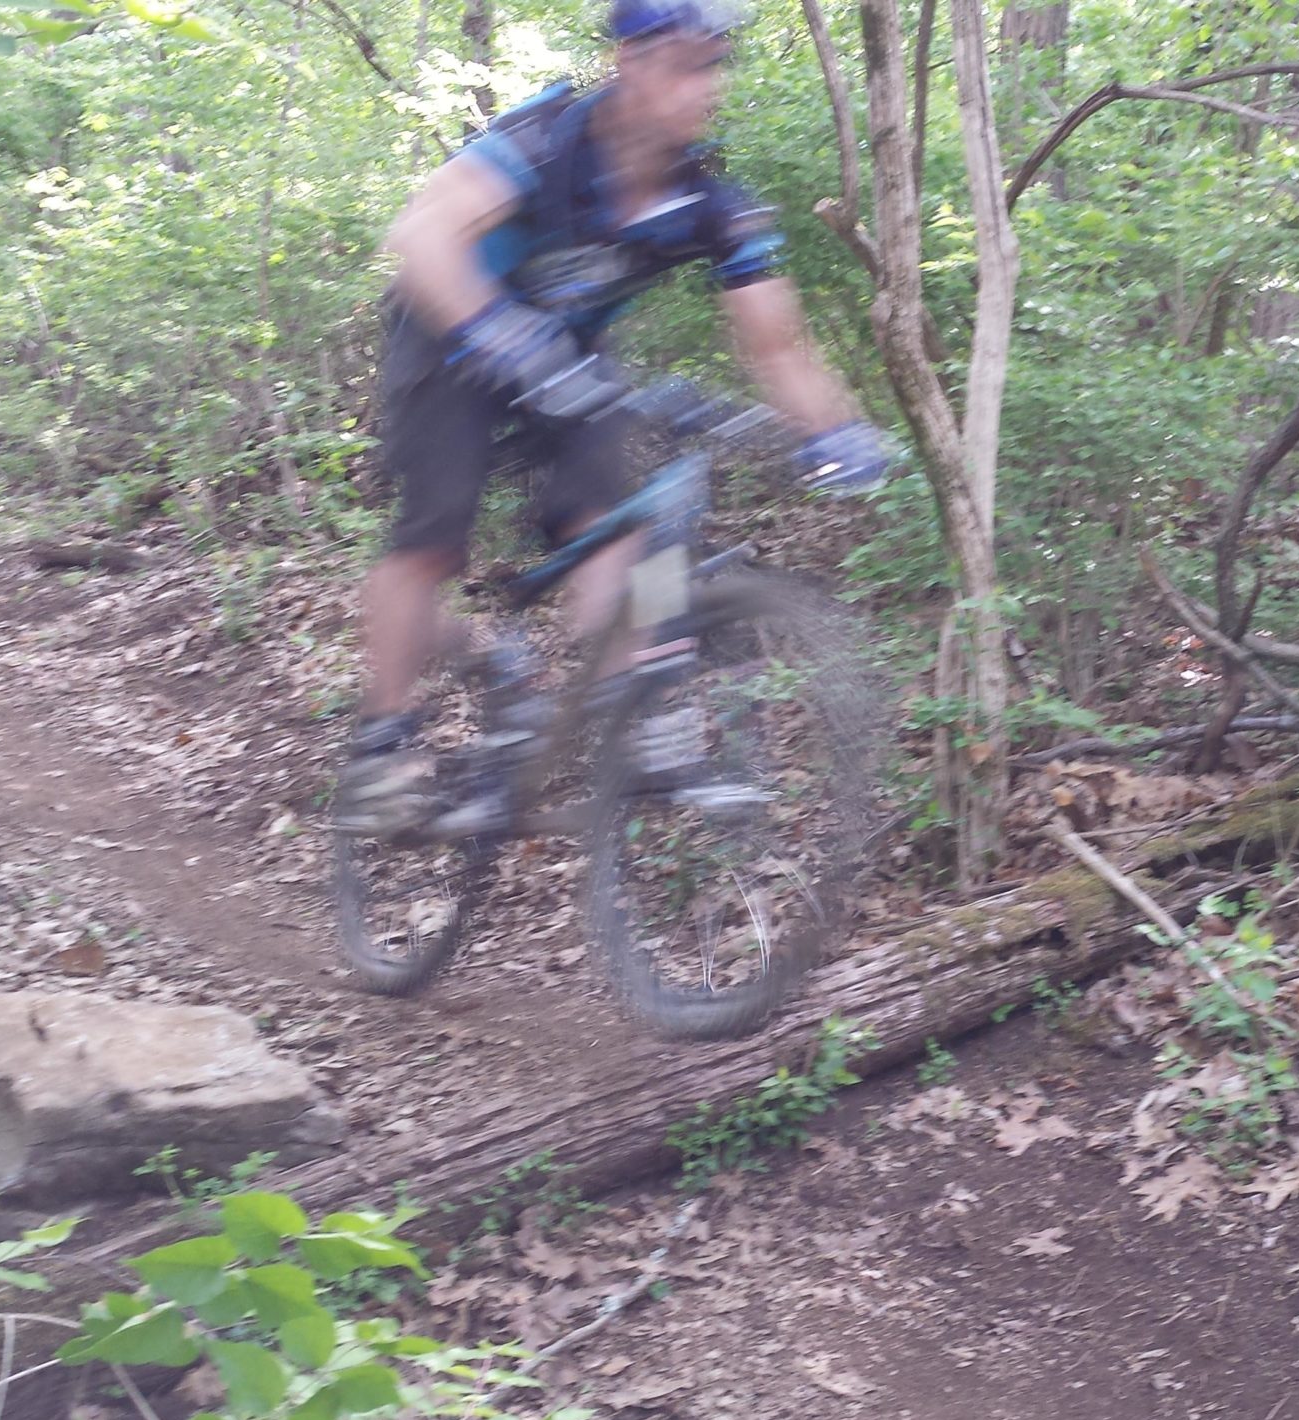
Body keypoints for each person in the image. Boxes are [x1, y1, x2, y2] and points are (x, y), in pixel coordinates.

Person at [335, 0, 889, 838]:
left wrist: (834, 431)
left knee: (619, 520)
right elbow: (420, 234)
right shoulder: (546, 140)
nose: (709, 83)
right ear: (630, 59)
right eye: (687, 61)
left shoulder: (710, 201)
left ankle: (630, 704)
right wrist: (498, 332)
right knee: (434, 536)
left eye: (717, 62)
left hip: (568, 356)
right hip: (447, 335)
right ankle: (382, 745)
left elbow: (779, 348)